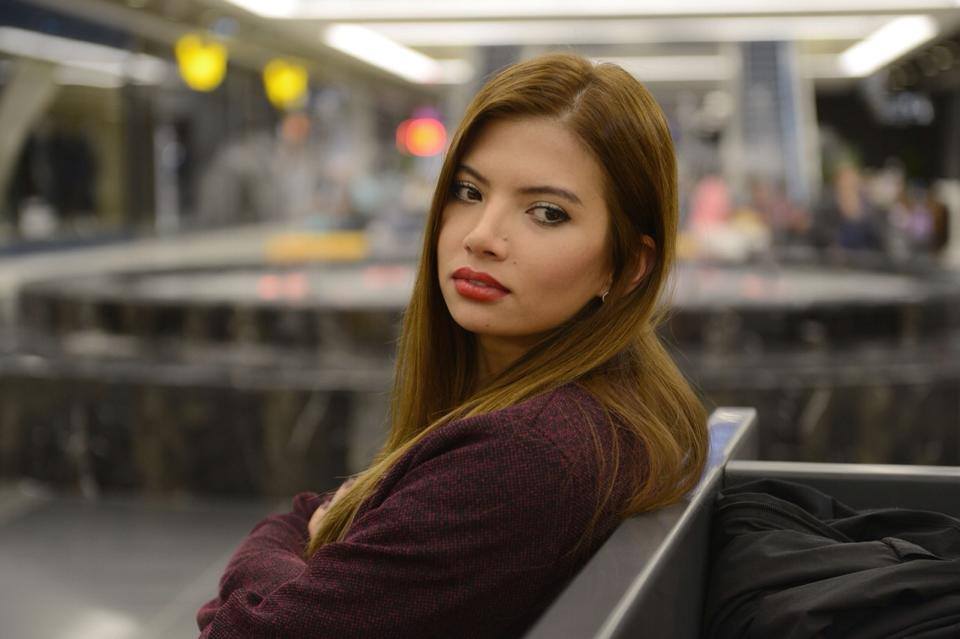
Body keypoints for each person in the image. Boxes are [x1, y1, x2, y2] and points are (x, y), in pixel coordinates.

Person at [196, 53, 708, 638]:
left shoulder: (522, 457)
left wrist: (287, 539)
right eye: (468, 191)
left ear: (629, 265)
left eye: (547, 213)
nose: (482, 236)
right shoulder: (602, 407)